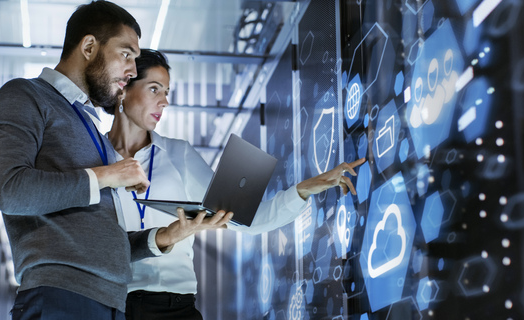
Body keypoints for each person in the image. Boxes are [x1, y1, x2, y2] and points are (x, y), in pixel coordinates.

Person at [0, 2, 231, 319]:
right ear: (89, 46)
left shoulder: (88, 126)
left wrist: (165, 237)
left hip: (109, 304)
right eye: (126, 54)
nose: (131, 70)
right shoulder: (26, 95)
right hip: (60, 298)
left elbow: (103, 241)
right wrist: (106, 176)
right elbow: (11, 191)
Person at [105, 49, 366, 320]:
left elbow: (246, 220)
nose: (164, 102)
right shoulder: (93, 158)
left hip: (173, 307)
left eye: (167, 92)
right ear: (124, 88)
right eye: (154, 89)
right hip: (108, 304)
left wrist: (304, 189)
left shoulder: (177, 154)